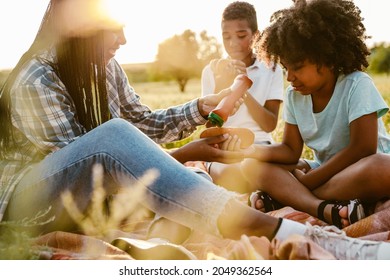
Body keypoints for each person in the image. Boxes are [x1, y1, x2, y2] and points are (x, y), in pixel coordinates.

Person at [1, 0, 390, 260]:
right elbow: (93, 174)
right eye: (113, 29)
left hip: (89, 195)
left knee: (159, 165)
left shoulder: (102, 68)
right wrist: (186, 157)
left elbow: (142, 125)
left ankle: (272, 217)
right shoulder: (38, 78)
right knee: (125, 144)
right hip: (32, 204)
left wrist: (202, 108)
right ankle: (292, 232)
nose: (124, 40)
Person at [240, 0, 390, 229]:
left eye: (297, 67)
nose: (289, 77)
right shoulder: (294, 96)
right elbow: (290, 151)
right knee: (252, 166)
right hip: (327, 172)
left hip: (363, 171)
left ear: (326, 58)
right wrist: (249, 151)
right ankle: (321, 205)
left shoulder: (356, 84)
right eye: (285, 68)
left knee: (383, 168)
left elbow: (363, 149)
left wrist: (309, 180)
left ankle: (289, 197)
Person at [195, 1, 284, 193]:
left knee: (260, 171)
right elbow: (210, 127)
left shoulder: (272, 67)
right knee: (231, 173)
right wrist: (223, 84)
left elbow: (269, 124)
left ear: (256, 35)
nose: (233, 44)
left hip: (260, 146)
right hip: (224, 147)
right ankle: (259, 197)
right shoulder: (211, 71)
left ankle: (259, 195)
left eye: (241, 36)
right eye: (226, 37)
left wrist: (241, 86)